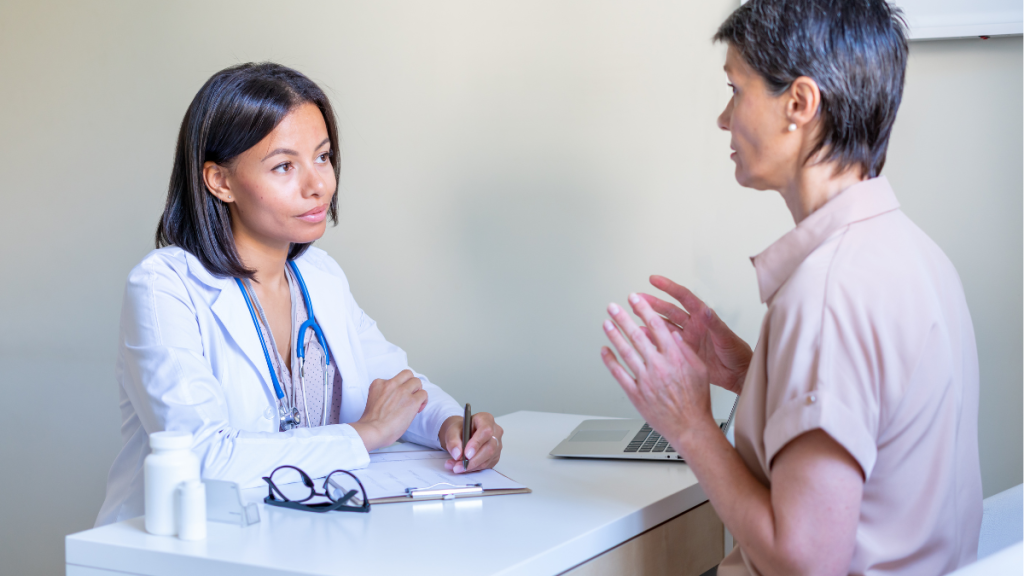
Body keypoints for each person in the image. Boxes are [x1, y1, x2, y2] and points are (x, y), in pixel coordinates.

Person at [599, 1, 982, 575]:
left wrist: (689, 423)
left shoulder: (827, 293)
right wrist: (752, 375)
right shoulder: (914, 253)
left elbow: (804, 562)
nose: (724, 119)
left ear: (799, 104)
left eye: (736, 89)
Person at [96, 63, 503, 526]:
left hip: (295, 535)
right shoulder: (164, 286)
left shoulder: (320, 276)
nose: (318, 185)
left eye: (323, 157)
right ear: (220, 181)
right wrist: (363, 434)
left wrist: (452, 428)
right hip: (183, 548)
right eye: (285, 166)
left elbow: (394, 384)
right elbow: (203, 458)